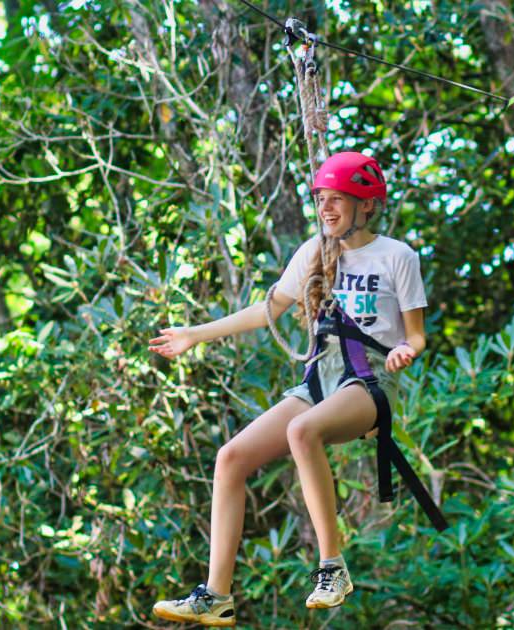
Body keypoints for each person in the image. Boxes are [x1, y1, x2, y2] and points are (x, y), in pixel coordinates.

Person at [148, 152, 428, 627]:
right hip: (319, 378)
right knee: (230, 458)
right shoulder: (314, 252)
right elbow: (266, 311)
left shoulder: (397, 256)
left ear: (368, 205)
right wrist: (196, 333)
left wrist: (407, 351)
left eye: (339, 199)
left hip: (369, 380)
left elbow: (415, 333)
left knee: (303, 431)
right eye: (322, 199)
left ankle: (332, 568)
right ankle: (216, 595)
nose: (327, 208)